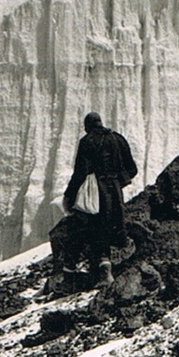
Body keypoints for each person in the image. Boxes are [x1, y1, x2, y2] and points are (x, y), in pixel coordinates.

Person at [61, 111, 138, 283]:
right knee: (111, 227)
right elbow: (132, 168)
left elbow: (80, 173)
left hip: (97, 192)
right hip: (115, 192)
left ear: (87, 126)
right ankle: (106, 270)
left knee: (95, 229)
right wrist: (119, 182)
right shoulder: (118, 139)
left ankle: (100, 271)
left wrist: (69, 196)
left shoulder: (87, 141)